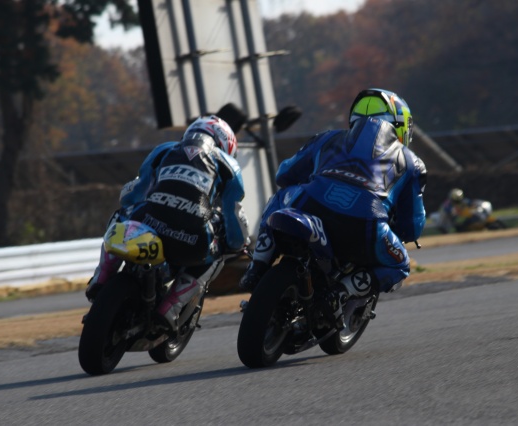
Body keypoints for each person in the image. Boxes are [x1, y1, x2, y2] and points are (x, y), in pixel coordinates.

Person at [239, 88, 427, 314]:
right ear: (401, 125)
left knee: (281, 195)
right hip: (366, 225)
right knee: (400, 264)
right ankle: (340, 293)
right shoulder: (413, 162)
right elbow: (412, 227)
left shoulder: (327, 137)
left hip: (310, 203)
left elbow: (284, 175)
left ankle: (257, 266)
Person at [86, 115, 250, 329]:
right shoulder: (230, 165)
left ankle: (101, 277)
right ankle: (171, 307)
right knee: (218, 253)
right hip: (191, 239)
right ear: (226, 145)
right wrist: (237, 243)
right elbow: (234, 219)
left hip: (149, 222)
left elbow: (132, 196)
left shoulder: (163, 150)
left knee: (122, 214)